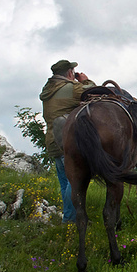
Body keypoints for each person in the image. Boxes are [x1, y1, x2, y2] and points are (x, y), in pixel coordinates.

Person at [40, 60, 96, 223]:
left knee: (65, 181)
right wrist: (85, 80)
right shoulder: (69, 88)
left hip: (52, 140)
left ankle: (68, 216)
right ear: (70, 73)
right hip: (67, 141)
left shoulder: (48, 90)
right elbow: (92, 91)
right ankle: (72, 218)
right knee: (75, 179)